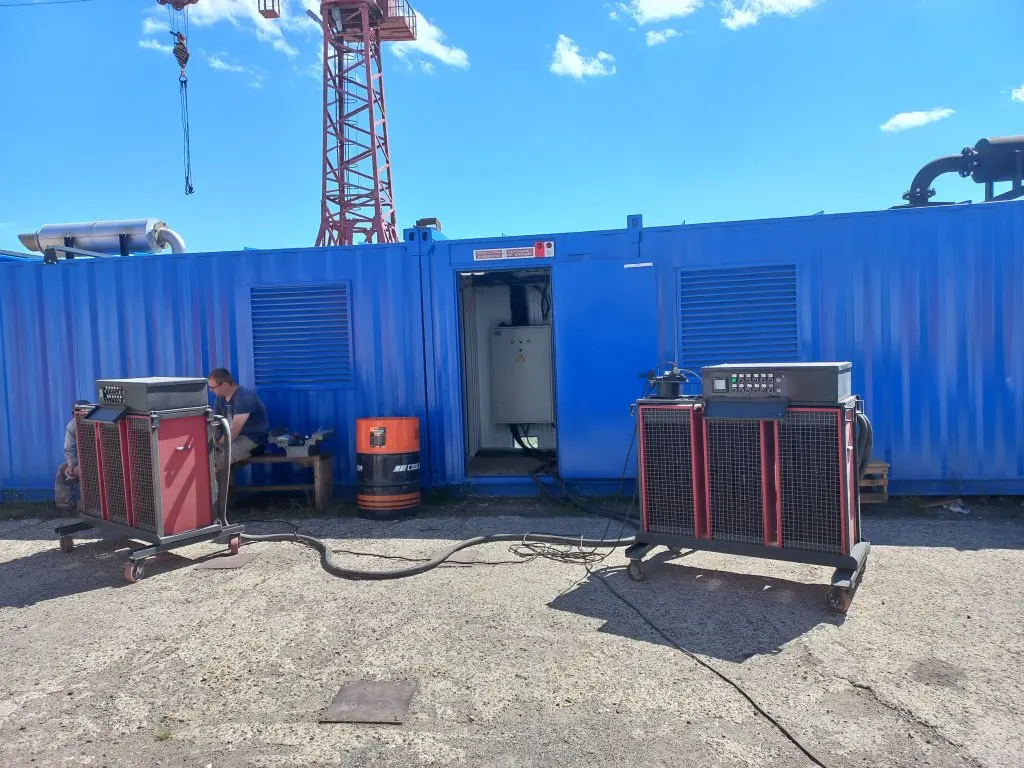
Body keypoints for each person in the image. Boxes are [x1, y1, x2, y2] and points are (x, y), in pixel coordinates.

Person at [207, 368, 269, 476]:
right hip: (230, 439)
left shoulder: (244, 397)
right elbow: (216, 426)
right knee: (205, 457)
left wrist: (217, 445)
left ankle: (210, 486)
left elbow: (234, 431)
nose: (210, 391)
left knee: (216, 461)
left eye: (212, 388)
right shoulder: (220, 399)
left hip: (252, 440)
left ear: (225, 384)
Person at [54, 400, 90, 514]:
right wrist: (71, 466)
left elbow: (95, 451)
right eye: (76, 413)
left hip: (96, 463)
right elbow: (69, 448)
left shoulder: (96, 424)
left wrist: (81, 466)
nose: (78, 415)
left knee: (85, 474)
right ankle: (65, 507)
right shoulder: (72, 426)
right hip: (80, 462)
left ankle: (88, 507)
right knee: (62, 469)